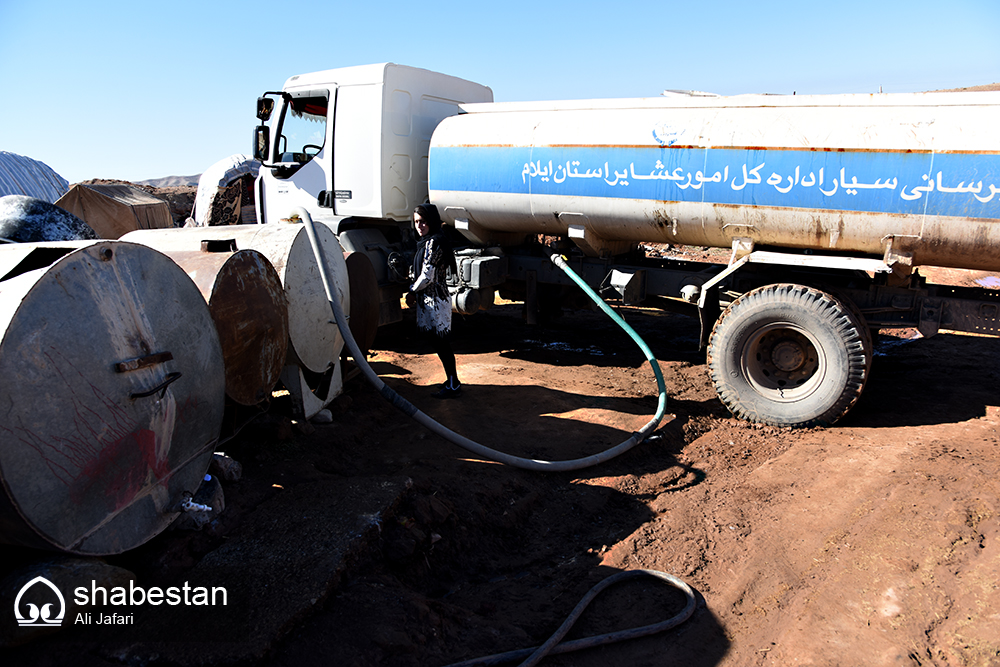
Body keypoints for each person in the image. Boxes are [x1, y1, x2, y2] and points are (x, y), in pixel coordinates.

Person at [410, 203, 461, 398]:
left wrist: (411, 290)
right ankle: (451, 379)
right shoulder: (425, 241)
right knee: (437, 342)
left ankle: (453, 383)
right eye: (416, 222)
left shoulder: (435, 242)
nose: (419, 226)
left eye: (423, 221)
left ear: (431, 221)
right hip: (429, 299)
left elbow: (427, 275)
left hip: (436, 300)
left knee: (442, 342)